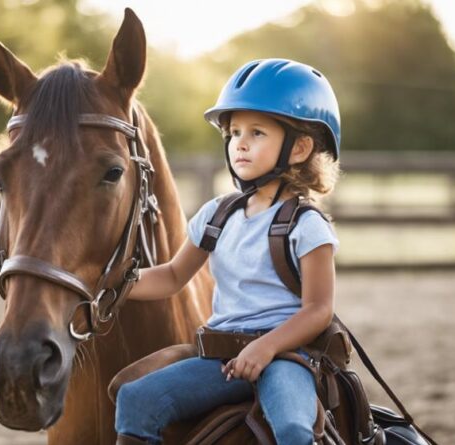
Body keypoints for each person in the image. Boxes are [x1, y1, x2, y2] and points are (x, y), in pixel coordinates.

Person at [115, 58, 343, 445]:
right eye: (234, 131)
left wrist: (266, 346)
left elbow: (318, 310)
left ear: (300, 147)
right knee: (135, 400)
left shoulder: (308, 226)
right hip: (219, 360)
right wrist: (114, 282)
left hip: (284, 357)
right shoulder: (216, 214)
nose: (240, 142)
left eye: (257, 133)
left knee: (291, 428)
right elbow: (172, 276)